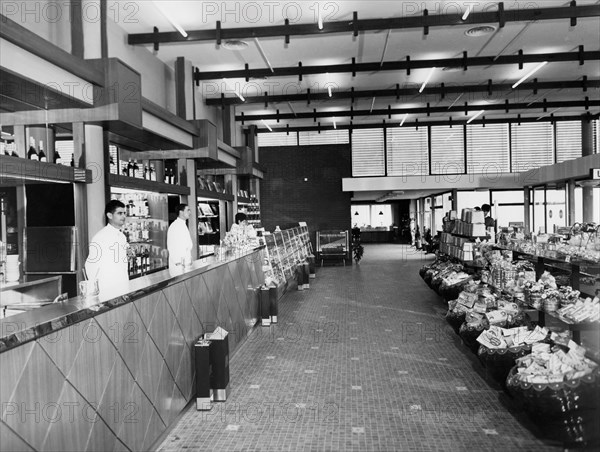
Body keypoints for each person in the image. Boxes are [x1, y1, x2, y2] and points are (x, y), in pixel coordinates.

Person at [84, 200, 130, 293]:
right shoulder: (100, 237)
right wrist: (96, 290)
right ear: (109, 215)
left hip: (122, 284)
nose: (124, 216)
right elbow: (90, 266)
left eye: (124, 213)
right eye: (120, 213)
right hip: (107, 288)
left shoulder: (122, 236)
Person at [167, 203, 193, 269]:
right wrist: (178, 263)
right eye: (188, 210)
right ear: (181, 212)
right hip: (179, 265)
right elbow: (172, 247)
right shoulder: (175, 226)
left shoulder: (182, 225)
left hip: (185, 264)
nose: (190, 212)